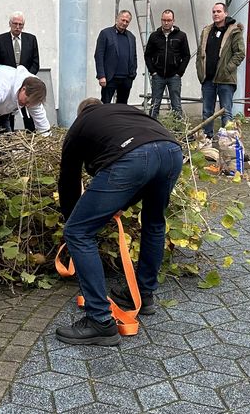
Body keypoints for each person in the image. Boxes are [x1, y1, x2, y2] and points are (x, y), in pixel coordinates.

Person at [55, 98, 183, 346]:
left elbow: (68, 181)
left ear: (80, 114)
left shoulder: (79, 125)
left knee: (78, 232)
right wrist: (119, 203)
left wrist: (73, 221)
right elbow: (148, 153)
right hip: (171, 151)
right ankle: (144, 296)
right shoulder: (125, 111)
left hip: (133, 157)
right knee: (154, 222)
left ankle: (100, 321)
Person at [196, 2, 245, 139]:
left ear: (225, 13)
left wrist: (227, 68)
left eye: (218, 11)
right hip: (208, 79)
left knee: (226, 112)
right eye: (214, 12)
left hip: (225, 79)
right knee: (207, 112)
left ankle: (227, 140)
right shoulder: (207, 31)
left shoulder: (234, 31)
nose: (216, 14)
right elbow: (200, 52)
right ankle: (207, 139)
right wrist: (200, 70)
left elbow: (240, 53)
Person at [0, 11, 40, 131]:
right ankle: (10, 138)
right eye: (15, 24)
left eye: (21, 24)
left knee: (28, 113)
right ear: (10, 24)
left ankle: (31, 138)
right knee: (8, 113)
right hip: (8, 84)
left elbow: (36, 63)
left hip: (27, 84)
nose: (18, 27)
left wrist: (27, 79)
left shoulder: (31, 39)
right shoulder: (0, 39)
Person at [144, 9, 190, 119]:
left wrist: (180, 72)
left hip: (174, 76)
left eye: (169, 20)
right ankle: (152, 127)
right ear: (161, 20)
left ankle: (178, 129)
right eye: (164, 20)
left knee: (176, 104)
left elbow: (186, 55)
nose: (166, 22)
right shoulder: (154, 36)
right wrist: (153, 72)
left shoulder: (181, 36)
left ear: (173, 20)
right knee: (155, 105)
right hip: (158, 76)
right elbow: (147, 55)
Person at [94, 10, 137, 104]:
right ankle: (104, 119)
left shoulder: (131, 37)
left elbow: (134, 56)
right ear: (117, 19)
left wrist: (132, 74)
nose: (124, 23)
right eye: (123, 20)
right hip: (110, 78)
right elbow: (99, 55)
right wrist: (101, 76)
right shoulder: (105, 33)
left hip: (126, 78)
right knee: (105, 105)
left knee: (122, 106)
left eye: (127, 21)